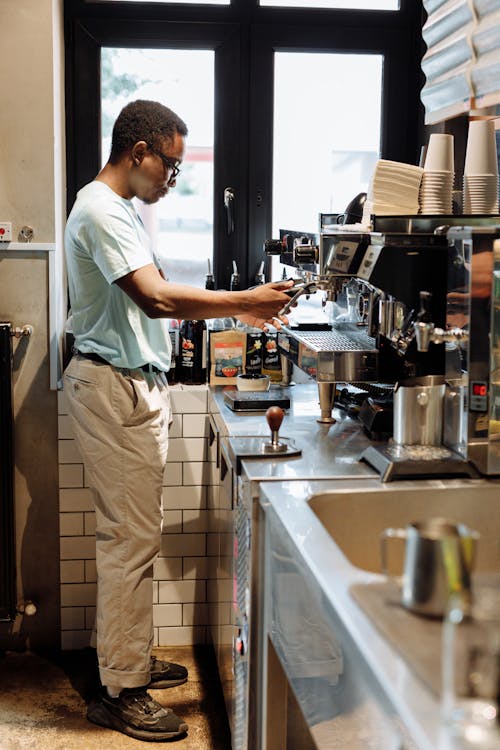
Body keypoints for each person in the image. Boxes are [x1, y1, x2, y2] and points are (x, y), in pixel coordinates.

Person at [63, 99, 293, 742]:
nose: (174, 176)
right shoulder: (102, 209)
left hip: (127, 387)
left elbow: (155, 295)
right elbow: (157, 297)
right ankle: (120, 691)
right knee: (129, 543)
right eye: (170, 163)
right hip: (112, 388)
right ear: (138, 153)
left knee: (134, 537)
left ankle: (125, 661)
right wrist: (243, 302)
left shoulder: (121, 210)